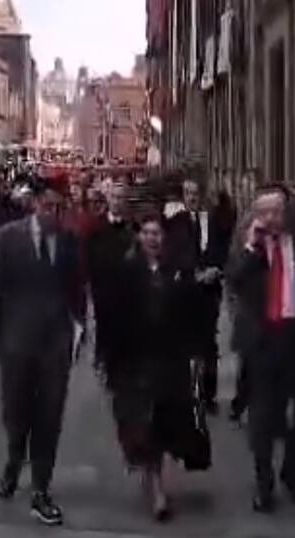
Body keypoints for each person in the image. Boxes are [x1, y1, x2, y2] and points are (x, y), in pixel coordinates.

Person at [0, 176, 85, 526]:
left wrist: (78, 329)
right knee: (17, 414)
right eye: (47, 206)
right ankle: (13, 462)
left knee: (49, 417)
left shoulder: (69, 240)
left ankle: (41, 489)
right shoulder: (8, 237)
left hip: (55, 345)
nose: (53, 213)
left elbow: (77, 290)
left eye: (59, 207)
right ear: (34, 204)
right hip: (16, 342)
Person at [226, 183, 295, 513]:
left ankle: (292, 469)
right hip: (262, 342)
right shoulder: (249, 246)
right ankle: (264, 483)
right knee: (262, 418)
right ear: (255, 215)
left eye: (276, 210)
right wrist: (252, 248)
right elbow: (235, 280)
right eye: (263, 211)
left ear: (287, 212)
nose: (270, 217)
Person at [101, 214, 204, 521]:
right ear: (139, 237)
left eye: (156, 233)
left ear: (164, 237)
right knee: (141, 424)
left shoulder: (178, 271)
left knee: (162, 422)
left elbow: (192, 314)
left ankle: (154, 476)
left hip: (169, 361)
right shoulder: (125, 272)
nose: (152, 238)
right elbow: (111, 319)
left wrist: (196, 353)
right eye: (146, 233)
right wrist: (109, 361)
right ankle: (155, 485)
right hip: (134, 362)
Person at [166, 178, 234, 414]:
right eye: (188, 193)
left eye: (195, 193)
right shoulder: (176, 223)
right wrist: (192, 273)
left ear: (201, 195)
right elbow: (174, 253)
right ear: (183, 197)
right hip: (187, 290)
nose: (192, 197)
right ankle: (186, 392)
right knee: (185, 343)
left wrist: (216, 269)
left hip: (209, 290)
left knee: (208, 345)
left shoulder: (213, 221)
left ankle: (208, 395)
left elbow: (224, 247)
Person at [86, 181, 136, 369]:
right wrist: (95, 287)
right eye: (114, 197)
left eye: (121, 198)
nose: (117, 201)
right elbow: (91, 258)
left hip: (126, 292)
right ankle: (104, 360)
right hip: (104, 291)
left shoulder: (132, 228)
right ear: (108, 200)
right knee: (105, 328)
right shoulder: (97, 227)